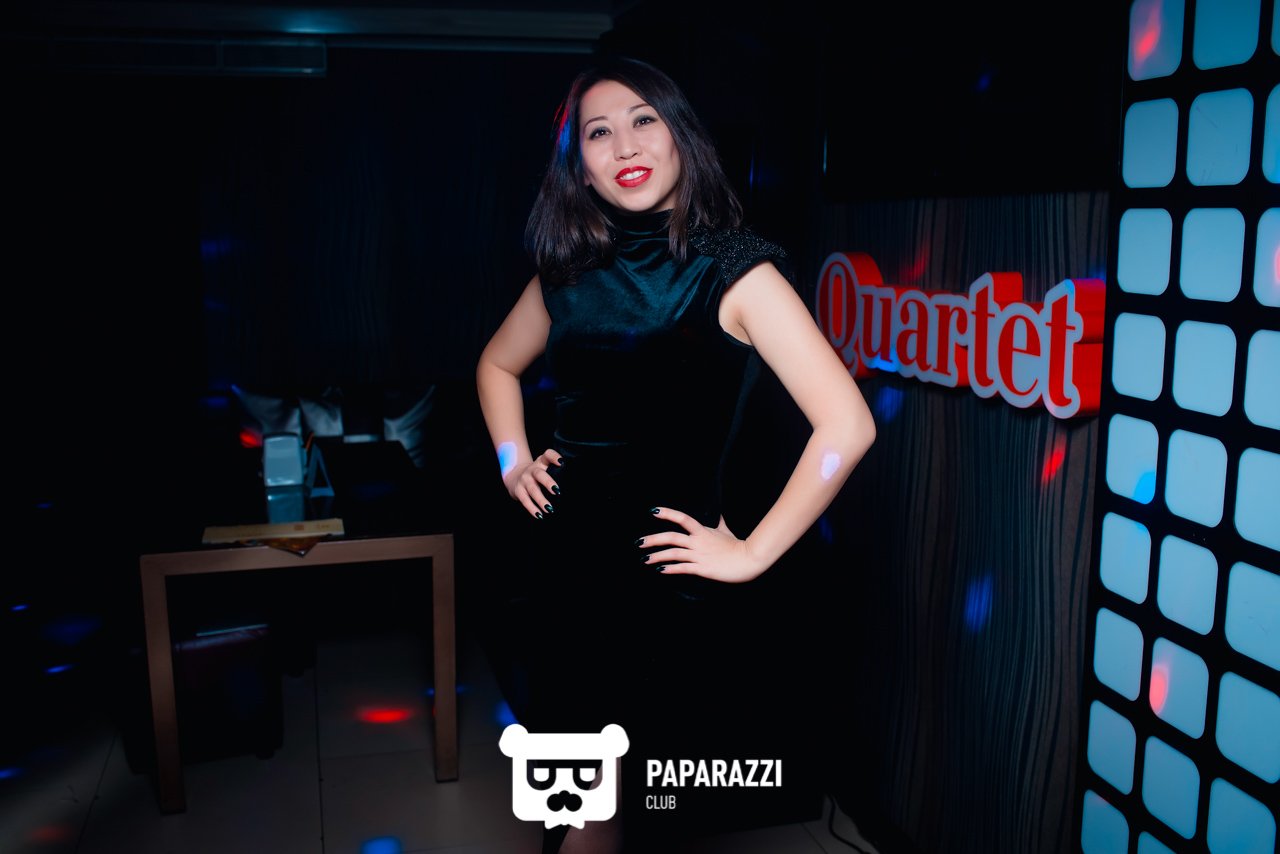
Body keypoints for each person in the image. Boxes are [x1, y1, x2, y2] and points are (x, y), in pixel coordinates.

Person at [476, 56, 875, 853]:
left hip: (662, 580)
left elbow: (847, 426)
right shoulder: (566, 273)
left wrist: (752, 552)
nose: (625, 144)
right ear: (578, 167)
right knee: (582, 798)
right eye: (599, 132)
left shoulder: (736, 269)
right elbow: (496, 365)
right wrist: (514, 460)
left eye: (643, 120)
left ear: (680, 136)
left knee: (639, 804)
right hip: (564, 565)